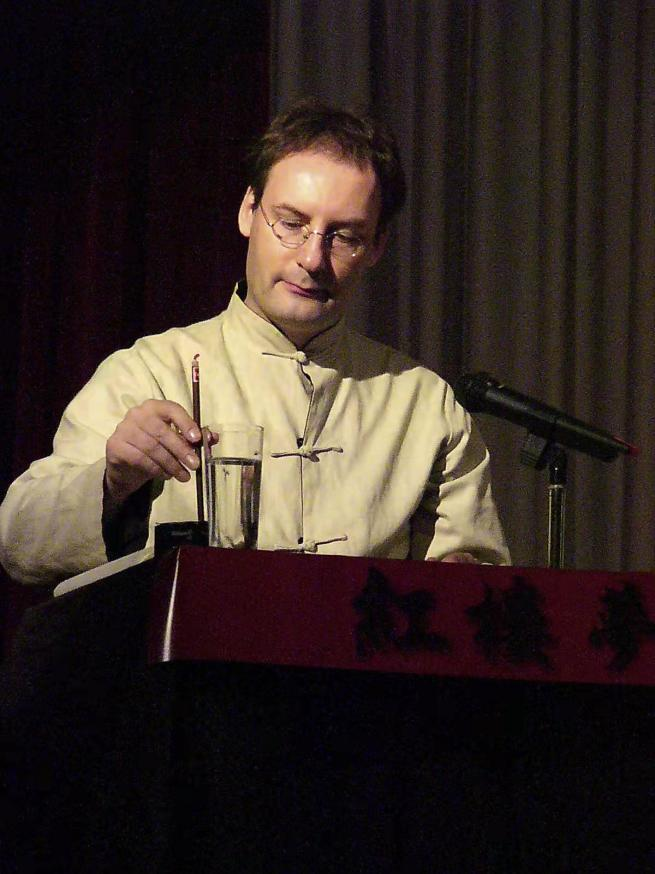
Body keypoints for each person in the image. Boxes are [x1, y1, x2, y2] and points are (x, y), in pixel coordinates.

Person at [0, 100, 509, 585]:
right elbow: (18, 540)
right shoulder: (149, 371)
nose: (312, 258)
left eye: (345, 236)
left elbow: (477, 594)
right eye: (291, 224)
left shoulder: (424, 404)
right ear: (249, 211)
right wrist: (114, 482)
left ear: (376, 247)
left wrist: (463, 575)